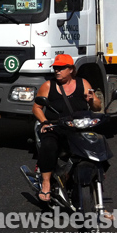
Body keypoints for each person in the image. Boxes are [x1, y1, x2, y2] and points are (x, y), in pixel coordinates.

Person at [32, 54, 101, 202]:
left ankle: (97, 178)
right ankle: (46, 183)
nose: (57, 71)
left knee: (97, 145)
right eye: (56, 68)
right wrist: (45, 122)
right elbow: (37, 108)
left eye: (61, 68)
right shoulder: (49, 86)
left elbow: (97, 106)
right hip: (55, 126)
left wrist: (93, 100)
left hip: (78, 127)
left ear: (71, 69)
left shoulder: (83, 83)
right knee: (49, 145)